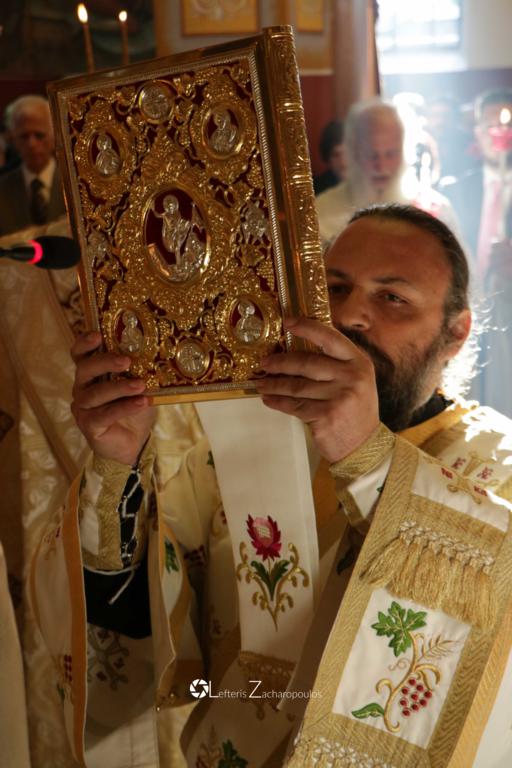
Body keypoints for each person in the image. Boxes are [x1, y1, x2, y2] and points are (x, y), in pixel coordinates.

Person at [32, 205, 512, 767]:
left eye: (392, 297)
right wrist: (119, 466)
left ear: (455, 334)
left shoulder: (497, 465)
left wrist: (367, 457)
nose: (350, 316)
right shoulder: (242, 449)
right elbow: (140, 631)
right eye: (334, 288)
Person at [442, 88, 512, 416]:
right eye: (490, 125)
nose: (499, 133)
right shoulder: (454, 190)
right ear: (477, 132)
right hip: (466, 313)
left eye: (506, 125)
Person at [315, 99, 460, 243]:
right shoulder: (321, 214)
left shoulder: (436, 211)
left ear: (405, 153)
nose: (381, 166)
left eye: (390, 154)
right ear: (354, 154)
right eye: (371, 154)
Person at [0, 94, 66, 235]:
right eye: (24, 136)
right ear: (12, 139)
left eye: (39, 135)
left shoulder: (73, 184)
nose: (32, 144)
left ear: (54, 135)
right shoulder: (2, 189)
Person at [313, 119, 345, 196]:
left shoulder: (367, 183)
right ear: (328, 158)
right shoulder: (316, 188)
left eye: (346, 153)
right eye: (336, 155)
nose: (343, 161)